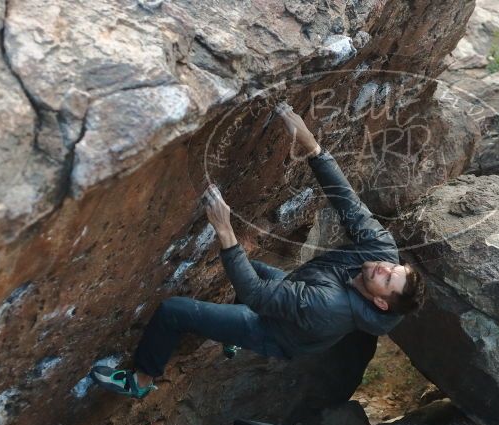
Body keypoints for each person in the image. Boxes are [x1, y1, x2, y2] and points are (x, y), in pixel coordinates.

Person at [90, 106, 425, 399]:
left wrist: (224, 228)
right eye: (393, 267)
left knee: (173, 311)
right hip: (300, 293)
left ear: (380, 302)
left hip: (273, 333)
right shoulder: (382, 250)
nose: (384, 266)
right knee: (254, 267)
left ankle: (143, 380)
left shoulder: (329, 306)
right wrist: (313, 147)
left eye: (388, 278)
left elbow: (255, 295)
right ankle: (228, 334)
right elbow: (346, 200)